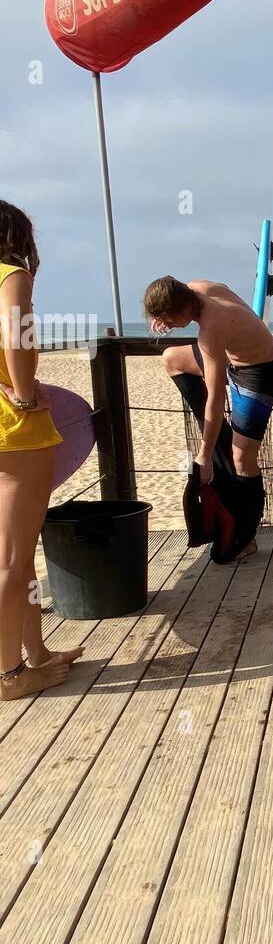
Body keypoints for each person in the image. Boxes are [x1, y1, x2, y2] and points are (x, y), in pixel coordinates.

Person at [0, 201, 84, 700]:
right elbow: (17, 332)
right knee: (12, 559)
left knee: (19, 556)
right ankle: (9, 674)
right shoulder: (12, 275)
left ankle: (36, 653)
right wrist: (27, 393)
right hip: (14, 434)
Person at [144, 276, 273, 560]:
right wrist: (165, 316)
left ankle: (246, 536)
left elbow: (215, 396)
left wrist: (204, 455)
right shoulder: (197, 287)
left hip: (259, 375)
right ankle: (218, 437)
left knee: (242, 460)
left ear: (182, 309)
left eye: (170, 322)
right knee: (172, 358)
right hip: (237, 359)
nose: (169, 327)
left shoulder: (211, 330)